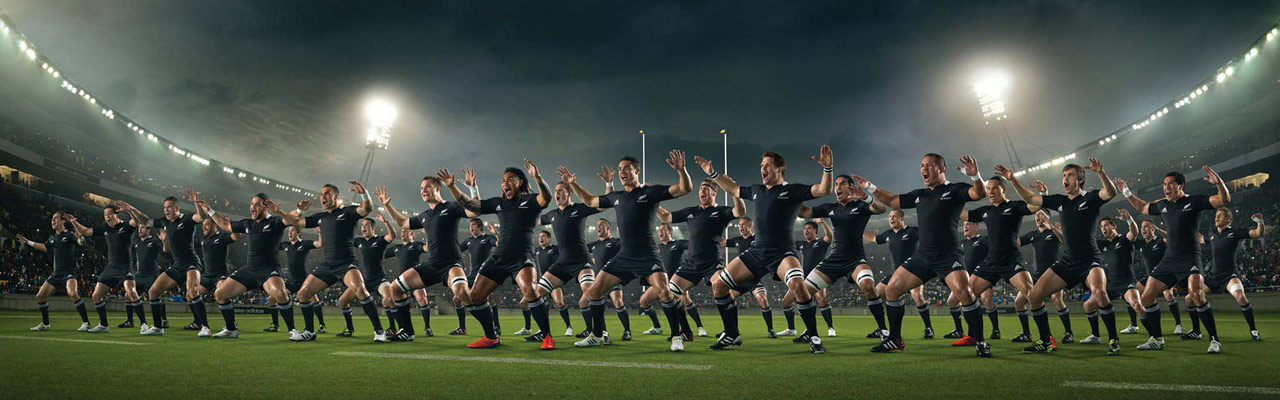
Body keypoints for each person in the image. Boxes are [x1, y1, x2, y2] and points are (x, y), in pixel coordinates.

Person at [698, 146, 834, 353]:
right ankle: (732, 334)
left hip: (782, 252)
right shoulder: (756, 190)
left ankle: (814, 336)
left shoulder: (791, 191)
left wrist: (827, 168)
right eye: (761, 165)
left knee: (798, 285)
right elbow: (733, 189)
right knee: (718, 285)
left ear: (780, 169)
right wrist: (713, 174)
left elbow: (824, 190)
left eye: (767, 165)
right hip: (757, 251)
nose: (763, 168)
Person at [862, 153, 990, 357]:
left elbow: (978, 194)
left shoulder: (954, 190)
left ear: (941, 168)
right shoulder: (920, 194)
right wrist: (870, 187)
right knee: (892, 290)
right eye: (921, 165)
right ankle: (895, 339)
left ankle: (981, 342)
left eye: (928, 165)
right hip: (923, 256)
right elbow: (892, 200)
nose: (923, 169)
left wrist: (975, 176)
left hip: (948, 256)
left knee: (965, 294)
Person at [564, 150, 693, 350]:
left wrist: (681, 170)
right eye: (620, 169)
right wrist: (572, 183)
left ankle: (677, 336)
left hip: (647, 254)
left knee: (665, 293)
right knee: (593, 291)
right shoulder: (616, 197)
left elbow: (685, 188)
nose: (622, 172)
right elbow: (590, 201)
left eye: (626, 168)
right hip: (624, 255)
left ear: (637, 171)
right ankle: (597, 336)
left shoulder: (650, 192)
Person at [999, 159, 1117, 355]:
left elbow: (1111, 192)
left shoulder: (1091, 198)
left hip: (1090, 260)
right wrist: (1012, 180)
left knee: (1100, 294)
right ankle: (1045, 342)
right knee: (1034, 296)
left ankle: (1113, 339)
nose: (1065, 178)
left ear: (1080, 180)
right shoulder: (1060, 202)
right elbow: (1030, 198)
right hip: (1067, 262)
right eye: (1063, 175)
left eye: (1070, 175)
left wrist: (1101, 173)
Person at [1114, 167, 1229, 353]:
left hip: (1190, 256)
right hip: (1170, 259)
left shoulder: (1194, 201)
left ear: (1181, 186)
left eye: (1170, 184)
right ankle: (1157, 339)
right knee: (1147, 296)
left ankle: (1214, 340)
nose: (1166, 187)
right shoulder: (1163, 205)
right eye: (1164, 184)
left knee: (1197, 295)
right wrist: (1126, 192)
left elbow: (1223, 200)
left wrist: (1219, 184)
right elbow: (1143, 207)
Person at [441, 159, 553, 349]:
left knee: (530, 291)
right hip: (500, 257)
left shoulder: (531, 200)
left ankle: (547, 337)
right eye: (503, 180)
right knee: (475, 296)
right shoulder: (499, 203)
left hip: (521, 255)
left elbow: (547, 198)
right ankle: (491, 337)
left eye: (510, 179)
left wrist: (538, 177)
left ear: (521, 182)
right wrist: (452, 187)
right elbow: (472, 206)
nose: (505, 182)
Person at [274, 181, 385, 342]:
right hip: (328, 265)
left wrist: (364, 194)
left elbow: (365, 209)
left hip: (346, 263)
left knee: (360, 290)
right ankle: (309, 332)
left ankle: (379, 331)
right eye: (321, 194)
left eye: (326, 193)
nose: (322, 197)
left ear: (336, 196)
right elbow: (295, 222)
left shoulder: (347, 212)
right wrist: (285, 211)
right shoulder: (320, 217)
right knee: (303, 294)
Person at [374, 172, 477, 343]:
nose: (423, 190)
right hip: (431, 265)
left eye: (427, 186)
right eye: (421, 188)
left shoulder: (451, 207)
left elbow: (474, 211)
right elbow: (402, 223)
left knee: (462, 293)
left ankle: (490, 331)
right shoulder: (424, 216)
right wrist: (387, 206)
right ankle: (407, 331)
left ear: (437, 188)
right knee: (394, 289)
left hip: (451, 263)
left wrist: (472, 188)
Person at [657, 177, 748, 344]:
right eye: (700, 188)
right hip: (690, 263)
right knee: (670, 294)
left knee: (720, 288)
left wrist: (734, 191)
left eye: (706, 188)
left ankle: (733, 333)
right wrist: (654, 200)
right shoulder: (691, 212)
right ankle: (685, 332)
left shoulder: (720, 211)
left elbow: (740, 211)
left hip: (712, 263)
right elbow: (665, 217)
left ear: (714, 193)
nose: (702, 191)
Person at [199, 193, 295, 339]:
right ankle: (231, 329)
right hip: (249, 270)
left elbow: (293, 219)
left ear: (266, 206)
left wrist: (280, 211)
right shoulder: (247, 224)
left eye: (256, 204)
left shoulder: (275, 222)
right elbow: (225, 225)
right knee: (219, 294)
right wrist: (210, 211)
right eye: (251, 204)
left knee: (280, 294)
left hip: (268, 270)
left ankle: (293, 331)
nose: (252, 207)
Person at [960, 176, 1041, 349]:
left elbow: (1035, 205)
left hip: (1011, 259)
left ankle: (1047, 339)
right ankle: (973, 336)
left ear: (1003, 189)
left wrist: (1038, 192)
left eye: (994, 188)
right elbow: (960, 214)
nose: (990, 192)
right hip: (991, 261)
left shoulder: (1014, 207)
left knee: (1032, 295)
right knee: (967, 294)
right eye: (988, 188)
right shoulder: (985, 211)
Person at [117, 196, 204, 336]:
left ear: (176, 207)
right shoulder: (164, 222)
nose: (166, 210)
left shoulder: (186, 219)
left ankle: (205, 327)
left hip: (191, 263)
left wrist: (196, 203)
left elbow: (201, 216)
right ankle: (158, 327)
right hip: (177, 265)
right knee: (153, 292)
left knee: (192, 292)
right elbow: (145, 220)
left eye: (169, 207)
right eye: (164, 208)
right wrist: (131, 209)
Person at [534, 178, 607, 344]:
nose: (557, 193)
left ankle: (601, 332)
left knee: (590, 292)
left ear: (569, 193)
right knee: (537, 293)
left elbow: (603, 204)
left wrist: (608, 184)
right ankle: (545, 334)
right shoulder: (552, 215)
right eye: (556, 190)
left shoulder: (579, 209)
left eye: (561, 190)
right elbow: (533, 220)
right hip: (563, 262)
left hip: (582, 260)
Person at [65, 205, 141, 334]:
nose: (107, 216)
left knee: (132, 293)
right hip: (111, 267)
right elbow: (85, 231)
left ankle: (144, 324)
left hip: (125, 266)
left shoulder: (126, 226)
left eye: (110, 213)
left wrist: (130, 210)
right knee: (96, 295)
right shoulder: (105, 228)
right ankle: (104, 325)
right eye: (105, 214)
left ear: (117, 214)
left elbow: (137, 222)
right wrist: (73, 222)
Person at [1196, 209, 1264, 341]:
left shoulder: (1235, 232)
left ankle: (1253, 330)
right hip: (1213, 276)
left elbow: (1258, 233)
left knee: (1241, 297)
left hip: (1229, 276)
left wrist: (1260, 222)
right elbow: (1199, 238)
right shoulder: (1212, 234)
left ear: (1228, 219)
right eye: (1216, 216)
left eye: (1220, 215)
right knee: (1191, 297)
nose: (1216, 218)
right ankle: (1196, 331)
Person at [864, 210, 931, 339]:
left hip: (912, 272)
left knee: (917, 296)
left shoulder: (912, 231)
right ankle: (881, 328)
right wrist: (859, 230)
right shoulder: (888, 234)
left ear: (902, 218)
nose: (891, 218)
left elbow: (927, 236)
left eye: (894, 216)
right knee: (876, 295)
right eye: (889, 216)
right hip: (894, 274)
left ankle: (928, 328)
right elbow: (873, 239)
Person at [18, 212, 90, 332]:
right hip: (56, 273)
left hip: (69, 272)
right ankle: (45, 324)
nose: (53, 221)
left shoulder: (69, 234)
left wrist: (80, 237)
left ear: (63, 221)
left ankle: (86, 323)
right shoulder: (52, 238)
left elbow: (82, 243)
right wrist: (28, 242)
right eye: (52, 219)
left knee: (72, 293)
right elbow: (44, 247)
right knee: (40, 296)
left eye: (55, 219)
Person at [1016, 209, 1072, 343]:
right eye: (1036, 215)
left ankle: (1069, 333)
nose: (1037, 217)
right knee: (1019, 302)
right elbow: (1017, 241)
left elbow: (1064, 240)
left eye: (1040, 214)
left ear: (1047, 218)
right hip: (1036, 275)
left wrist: (1052, 227)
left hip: (1053, 273)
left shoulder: (1053, 232)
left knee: (1057, 300)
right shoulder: (1033, 234)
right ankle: (1026, 334)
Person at [724, 218, 776, 338]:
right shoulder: (738, 240)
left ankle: (770, 329)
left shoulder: (757, 238)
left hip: (753, 278)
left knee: (763, 299)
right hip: (741, 279)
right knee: (727, 299)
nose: (740, 227)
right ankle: (731, 330)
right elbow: (722, 242)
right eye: (739, 225)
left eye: (743, 225)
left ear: (750, 225)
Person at [781, 219, 830, 337]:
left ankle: (830, 328)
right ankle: (791, 329)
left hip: (818, 277)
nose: (806, 231)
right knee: (786, 302)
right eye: (805, 229)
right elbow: (787, 242)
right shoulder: (801, 244)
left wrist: (822, 222)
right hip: (802, 278)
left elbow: (829, 236)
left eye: (809, 229)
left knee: (821, 299)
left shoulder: (820, 242)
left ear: (815, 231)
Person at [384, 228, 430, 336]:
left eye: (405, 231)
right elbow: (381, 254)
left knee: (422, 298)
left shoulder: (416, 245)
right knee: (387, 300)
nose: (402, 233)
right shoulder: (397, 248)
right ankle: (393, 327)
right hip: (401, 281)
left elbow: (427, 248)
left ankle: (427, 328)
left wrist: (428, 233)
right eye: (401, 232)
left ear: (411, 233)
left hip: (414, 279)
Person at [459, 217, 500, 335]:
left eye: (473, 225)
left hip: (485, 274)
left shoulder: (487, 238)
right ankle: (462, 328)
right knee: (457, 298)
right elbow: (457, 249)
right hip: (472, 275)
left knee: (488, 299)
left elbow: (499, 243)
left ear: (479, 227)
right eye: (470, 225)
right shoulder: (469, 241)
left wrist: (496, 232)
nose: (471, 227)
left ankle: (496, 327)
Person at [280, 224, 323, 333]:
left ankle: (321, 325)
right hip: (291, 281)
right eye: (289, 231)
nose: (290, 233)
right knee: (276, 297)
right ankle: (280, 326)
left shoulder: (304, 244)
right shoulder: (285, 245)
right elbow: (271, 246)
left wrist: (320, 233)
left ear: (299, 233)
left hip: (304, 280)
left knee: (314, 299)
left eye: (293, 231)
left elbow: (319, 244)